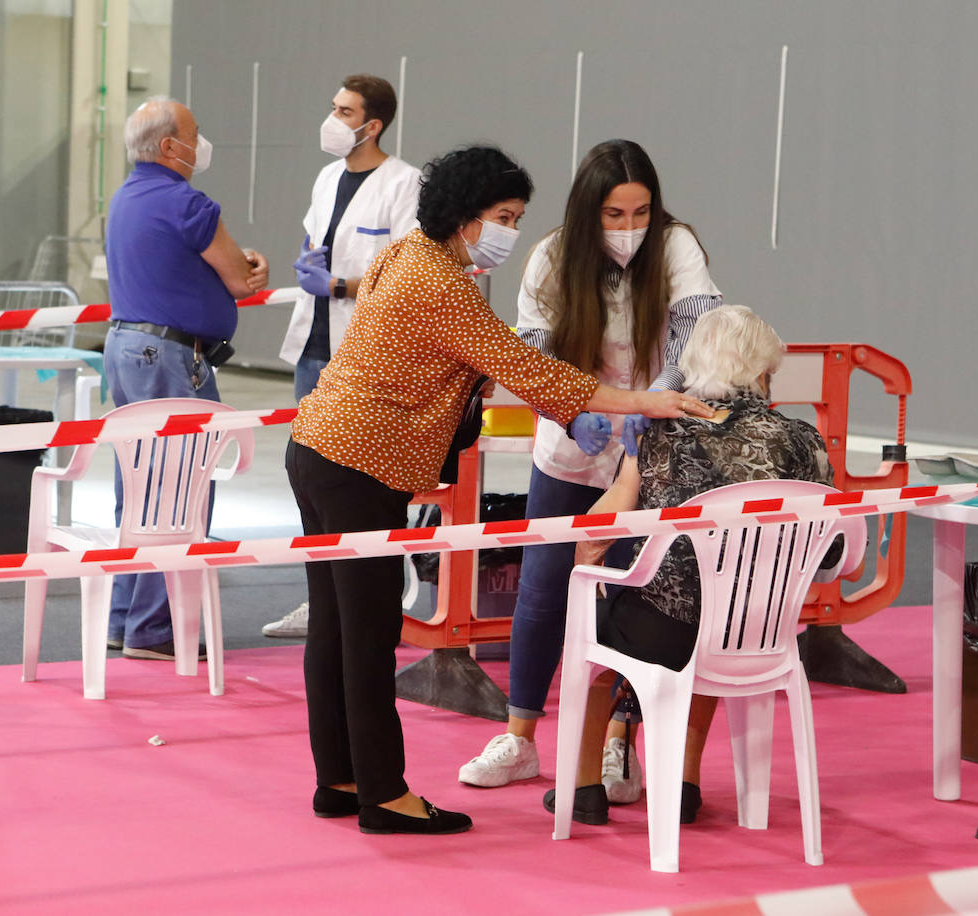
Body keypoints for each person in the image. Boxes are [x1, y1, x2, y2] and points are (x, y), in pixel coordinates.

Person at [285, 144, 710, 835]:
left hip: (319, 449)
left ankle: (339, 778)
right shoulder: (443, 286)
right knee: (366, 637)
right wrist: (642, 404)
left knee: (334, 630)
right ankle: (384, 795)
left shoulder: (404, 255)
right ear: (465, 216)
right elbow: (524, 364)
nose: (511, 230)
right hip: (360, 464)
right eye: (503, 216)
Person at [459, 139, 722, 802]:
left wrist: (654, 401)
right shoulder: (551, 255)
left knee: (642, 600)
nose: (630, 228)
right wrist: (573, 409)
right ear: (587, 211)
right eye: (614, 215)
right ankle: (519, 737)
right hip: (572, 441)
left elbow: (696, 329)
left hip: (651, 449)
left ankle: (616, 747)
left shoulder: (677, 245)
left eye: (640, 213)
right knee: (544, 592)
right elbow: (534, 347)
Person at [541, 305, 837, 826]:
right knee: (714, 614)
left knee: (607, 626)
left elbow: (599, 526)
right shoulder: (802, 439)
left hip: (666, 631)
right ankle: (681, 784)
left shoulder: (660, 431)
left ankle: (585, 784)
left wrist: (589, 568)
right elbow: (832, 553)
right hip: (759, 631)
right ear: (764, 372)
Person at [103, 97, 269, 660]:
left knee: (139, 485)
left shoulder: (126, 198)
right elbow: (241, 281)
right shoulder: (188, 203)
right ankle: (155, 629)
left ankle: (125, 617)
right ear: (172, 146)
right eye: (195, 134)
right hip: (171, 356)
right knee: (178, 491)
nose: (202, 143)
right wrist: (251, 265)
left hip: (125, 347)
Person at [265, 74, 421, 640]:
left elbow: (407, 274)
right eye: (332, 106)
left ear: (372, 124)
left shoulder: (406, 184)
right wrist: (312, 273)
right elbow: (315, 247)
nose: (333, 117)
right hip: (315, 347)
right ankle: (319, 600)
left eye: (344, 109)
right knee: (310, 485)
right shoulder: (328, 176)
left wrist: (338, 286)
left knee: (358, 488)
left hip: (365, 353)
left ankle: (365, 604)